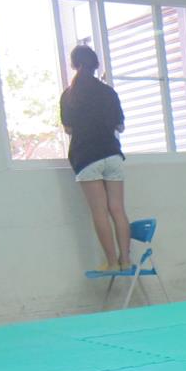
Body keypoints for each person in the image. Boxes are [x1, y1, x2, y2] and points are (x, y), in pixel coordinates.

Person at [59, 45, 131, 273]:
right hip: (111, 154)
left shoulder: (69, 95)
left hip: (86, 156)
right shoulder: (108, 92)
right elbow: (120, 126)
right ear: (95, 65)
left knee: (99, 211)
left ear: (74, 64)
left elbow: (69, 129)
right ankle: (126, 261)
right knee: (117, 209)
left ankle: (111, 263)